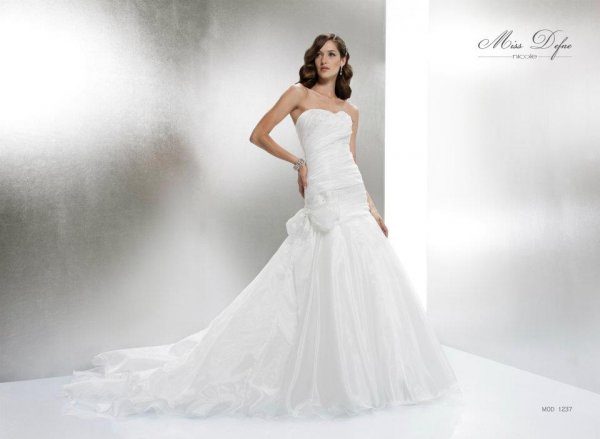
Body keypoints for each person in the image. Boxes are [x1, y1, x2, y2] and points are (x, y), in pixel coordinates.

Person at [63, 33, 461, 420]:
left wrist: (372, 208)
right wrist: (298, 162)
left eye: (332, 54)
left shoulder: (351, 110)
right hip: (323, 191)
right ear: (314, 60)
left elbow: (351, 162)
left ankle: (364, 377)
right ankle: (321, 373)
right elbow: (258, 134)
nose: (324, 60)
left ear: (343, 62)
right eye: (320, 53)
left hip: (351, 193)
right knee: (321, 272)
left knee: (364, 279)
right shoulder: (298, 94)